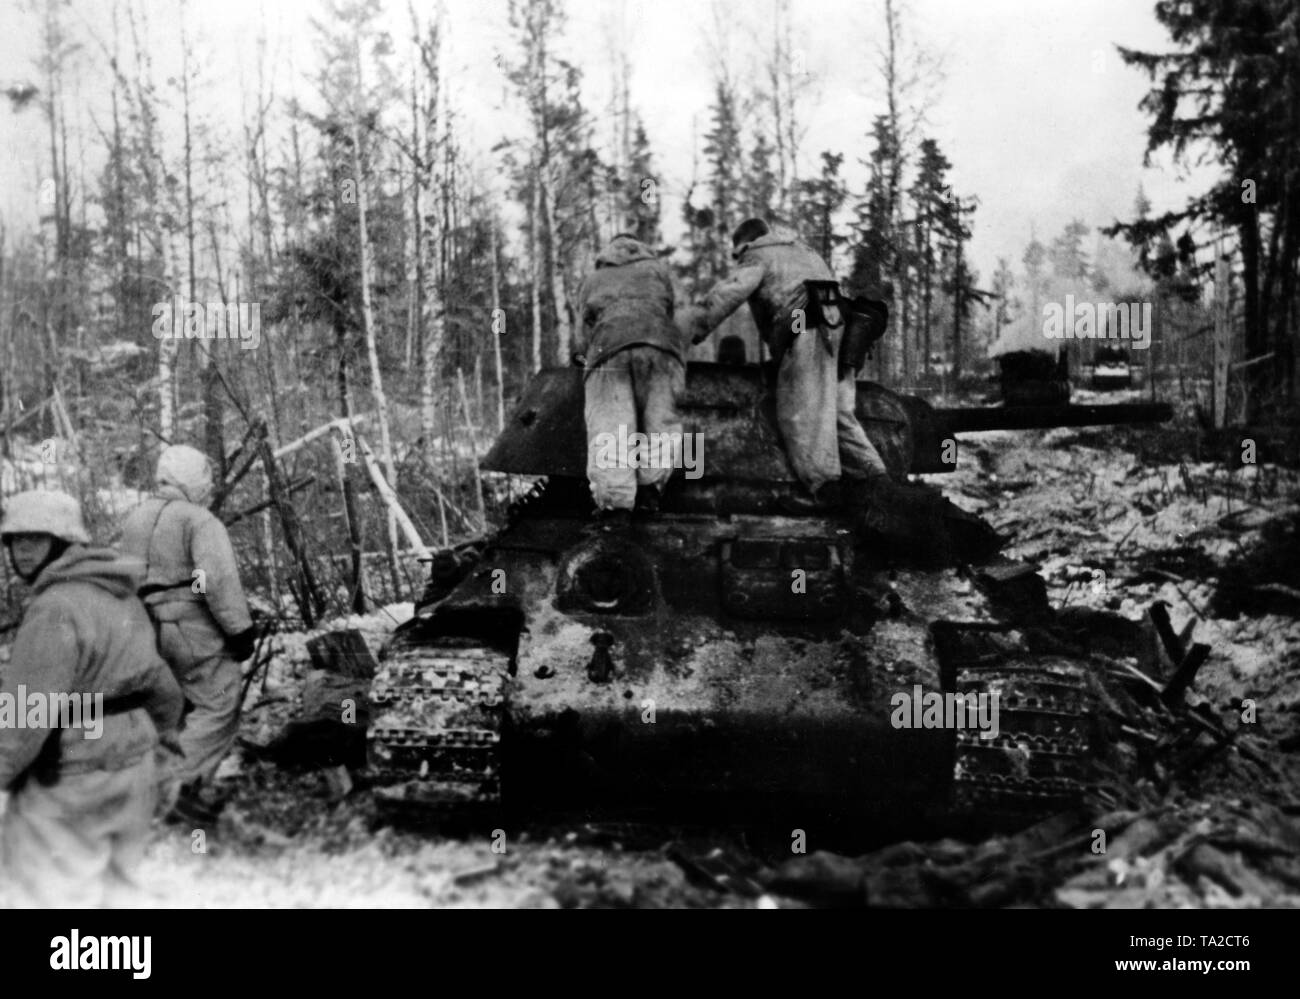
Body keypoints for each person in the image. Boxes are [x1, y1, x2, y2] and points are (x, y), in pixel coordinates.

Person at [0, 489, 182, 907]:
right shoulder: (119, 593)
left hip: (72, 772)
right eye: (15, 541)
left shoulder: (53, 608)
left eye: (36, 539)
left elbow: (25, 716)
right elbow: (162, 686)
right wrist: (166, 752)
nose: (23, 551)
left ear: (62, 542)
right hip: (134, 766)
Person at [687, 218, 890, 510]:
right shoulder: (803, 251)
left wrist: (692, 327)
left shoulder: (758, 254)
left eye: (738, 254)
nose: (739, 260)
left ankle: (824, 492)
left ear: (745, 244)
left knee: (799, 414)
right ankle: (877, 481)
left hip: (808, 331)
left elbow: (728, 294)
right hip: (844, 331)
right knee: (839, 413)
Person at [120, 445, 255, 821]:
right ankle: (174, 789)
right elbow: (212, 580)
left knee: (172, 711)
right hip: (190, 624)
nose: (209, 488)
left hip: (144, 623)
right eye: (206, 481)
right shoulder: (199, 520)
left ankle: (161, 787)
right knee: (219, 704)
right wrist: (239, 628)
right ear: (194, 481)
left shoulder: (134, 519)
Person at [572, 233, 690, 525]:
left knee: (611, 427)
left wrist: (584, 357)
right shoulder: (660, 270)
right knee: (661, 421)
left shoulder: (594, 278)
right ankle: (650, 492)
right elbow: (683, 314)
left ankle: (616, 509)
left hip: (609, 347)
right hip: (662, 347)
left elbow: (581, 332)